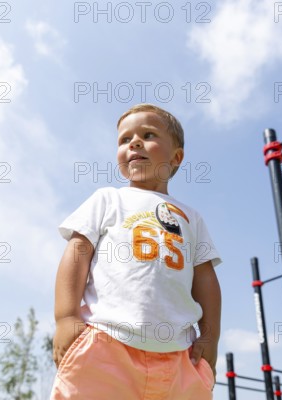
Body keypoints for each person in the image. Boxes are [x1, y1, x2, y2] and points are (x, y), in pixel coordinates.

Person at [50, 103, 222, 399]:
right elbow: (77, 251)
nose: (134, 143)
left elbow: (205, 279)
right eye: (124, 139)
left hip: (180, 354)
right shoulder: (108, 199)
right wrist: (66, 317)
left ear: (176, 157)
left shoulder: (191, 217)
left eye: (148, 134)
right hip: (105, 341)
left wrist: (210, 336)